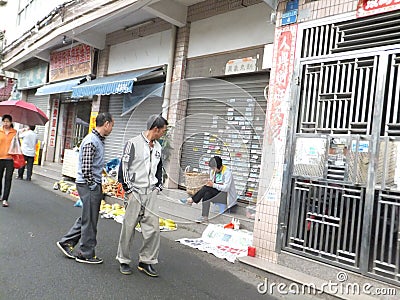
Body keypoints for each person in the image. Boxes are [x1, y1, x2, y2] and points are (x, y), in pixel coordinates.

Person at [56, 112, 114, 264]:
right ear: (106, 124)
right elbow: (86, 167)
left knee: (88, 217)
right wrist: (93, 184)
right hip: (89, 185)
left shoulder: (98, 140)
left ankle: (66, 242)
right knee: (90, 220)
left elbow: (92, 164)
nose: (112, 128)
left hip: (91, 183)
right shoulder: (91, 141)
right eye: (112, 125)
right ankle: (85, 253)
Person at [116, 114, 168, 277]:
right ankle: (124, 260)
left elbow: (159, 168)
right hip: (135, 191)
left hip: (150, 191)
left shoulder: (159, 147)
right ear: (155, 129)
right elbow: (123, 167)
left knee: (153, 228)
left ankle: (147, 261)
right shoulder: (133, 143)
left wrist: (158, 186)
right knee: (129, 227)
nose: (163, 134)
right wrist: (128, 189)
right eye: (163, 131)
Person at [180, 156, 237, 223]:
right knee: (207, 194)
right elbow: (212, 183)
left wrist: (213, 185)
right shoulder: (213, 171)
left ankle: (191, 200)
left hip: (224, 196)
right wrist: (210, 183)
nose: (213, 170)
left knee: (206, 188)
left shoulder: (227, 172)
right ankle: (204, 217)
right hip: (216, 193)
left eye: (214, 168)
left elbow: (226, 188)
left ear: (219, 166)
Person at [0, 114, 17, 207]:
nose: (6, 123)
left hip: (10, 159)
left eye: (8, 121)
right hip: (0, 158)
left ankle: (5, 198)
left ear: (11, 122)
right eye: (4, 121)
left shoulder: (15, 133)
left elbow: (17, 146)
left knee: (8, 179)